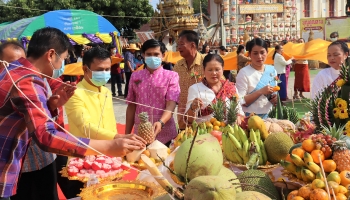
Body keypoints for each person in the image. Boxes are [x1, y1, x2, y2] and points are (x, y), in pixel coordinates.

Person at [0, 27, 145, 200]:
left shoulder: (18, 71)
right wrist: (108, 147)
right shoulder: (27, 81)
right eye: (62, 59)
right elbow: (46, 136)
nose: (63, 64)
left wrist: (51, 105)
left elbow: (22, 112)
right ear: (51, 55)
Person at [125, 39, 180, 146]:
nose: (152, 57)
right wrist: (126, 134)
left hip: (165, 133)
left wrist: (161, 122)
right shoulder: (135, 76)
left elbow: (171, 104)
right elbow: (131, 106)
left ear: (163, 55)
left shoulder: (171, 76)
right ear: (143, 55)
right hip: (140, 134)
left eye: (156, 54)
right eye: (149, 54)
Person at [184, 54, 244, 123]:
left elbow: (239, 111)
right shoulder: (195, 89)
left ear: (223, 69)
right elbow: (189, 120)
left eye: (217, 69)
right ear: (203, 70)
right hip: (206, 132)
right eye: (210, 70)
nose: (214, 73)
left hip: (230, 131)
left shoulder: (231, 87)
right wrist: (192, 108)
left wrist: (239, 117)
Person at [236, 38, 278, 118]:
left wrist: (275, 98)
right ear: (249, 54)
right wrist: (260, 91)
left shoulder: (272, 70)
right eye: (255, 53)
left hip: (270, 117)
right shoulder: (243, 73)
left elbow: (275, 91)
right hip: (250, 118)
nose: (259, 56)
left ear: (267, 53)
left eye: (262, 52)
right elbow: (240, 100)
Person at [173, 30, 205, 131]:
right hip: (183, 120)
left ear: (192, 45)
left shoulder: (207, 62)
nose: (179, 47)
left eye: (182, 44)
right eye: (178, 45)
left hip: (203, 118)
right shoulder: (178, 65)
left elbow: (220, 85)